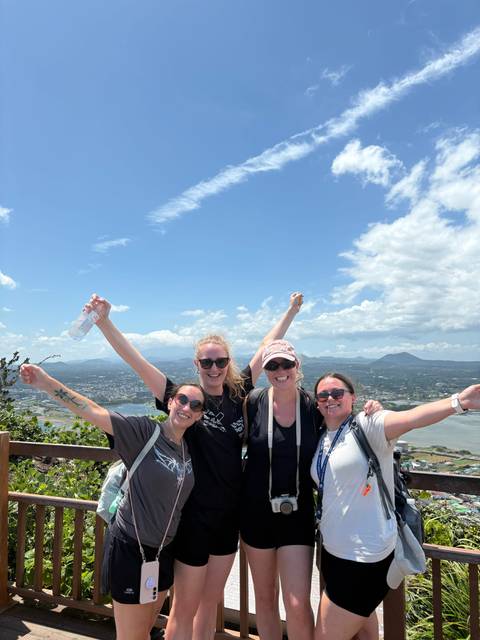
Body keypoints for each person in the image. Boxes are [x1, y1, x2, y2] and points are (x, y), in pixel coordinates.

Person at [84, 292, 304, 640]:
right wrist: (105, 322)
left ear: (228, 363)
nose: (214, 368)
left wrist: (291, 310)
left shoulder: (238, 392)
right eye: (207, 363)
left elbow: (266, 348)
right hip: (194, 519)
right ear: (196, 365)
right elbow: (137, 362)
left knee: (210, 602)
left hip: (228, 519)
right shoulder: (185, 399)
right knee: (184, 609)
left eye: (221, 362)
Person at [19, 363, 205, 640]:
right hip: (131, 547)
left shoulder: (188, 449)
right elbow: (93, 411)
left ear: (200, 415)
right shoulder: (144, 433)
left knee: (144, 630)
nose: (187, 407)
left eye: (196, 405)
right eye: (182, 399)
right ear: (169, 402)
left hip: (163, 552)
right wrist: (46, 383)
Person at [310, 371, 480, 640]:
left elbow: (411, 418)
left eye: (337, 393)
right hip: (333, 553)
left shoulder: (369, 425)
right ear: (316, 402)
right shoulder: (321, 437)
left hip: (365, 557)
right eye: (323, 395)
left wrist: (460, 401)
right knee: (364, 631)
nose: (330, 398)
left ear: (352, 398)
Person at [240, 342, 382, 640]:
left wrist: (372, 412)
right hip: (256, 513)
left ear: (297, 367)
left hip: (297, 515)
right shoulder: (253, 402)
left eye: (286, 365)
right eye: (273, 366)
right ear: (265, 371)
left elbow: (342, 426)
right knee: (264, 599)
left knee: (295, 602)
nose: (281, 372)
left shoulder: (311, 406)